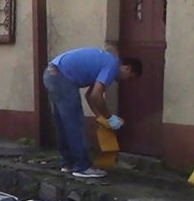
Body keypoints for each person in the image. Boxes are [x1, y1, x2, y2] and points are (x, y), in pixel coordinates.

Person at [43, 47, 142, 179]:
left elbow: (90, 96)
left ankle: (69, 163)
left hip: (51, 73)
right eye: (129, 77)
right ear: (127, 68)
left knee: (63, 122)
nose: (126, 80)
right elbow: (96, 95)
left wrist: (100, 117)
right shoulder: (112, 65)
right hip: (63, 77)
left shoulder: (105, 61)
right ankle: (82, 167)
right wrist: (110, 117)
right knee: (74, 124)